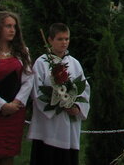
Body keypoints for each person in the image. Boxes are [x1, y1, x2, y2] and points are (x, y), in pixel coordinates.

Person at [28, 23, 90, 165]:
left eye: (67, 39)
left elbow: (85, 88)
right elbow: (37, 92)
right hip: (49, 124)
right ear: (50, 40)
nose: (64, 43)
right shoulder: (41, 63)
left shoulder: (74, 63)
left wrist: (77, 107)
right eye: (60, 39)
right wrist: (59, 105)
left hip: (69, 121)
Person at [0, 11, 33, 165]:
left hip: (15, 112)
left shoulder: (22, 52)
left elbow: (29, 79)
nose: (12, 30)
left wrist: (16, 102)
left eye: (14, 26)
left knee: (9, 153)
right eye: (8, 26)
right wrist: (2, 105)